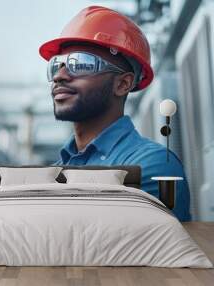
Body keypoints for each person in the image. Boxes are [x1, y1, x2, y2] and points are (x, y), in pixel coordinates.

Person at [39, 6, 191, 221]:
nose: (60, 76)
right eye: (57, 65)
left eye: (81, 63)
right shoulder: (57, 169)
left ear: (122, 84)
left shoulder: (151, 165)